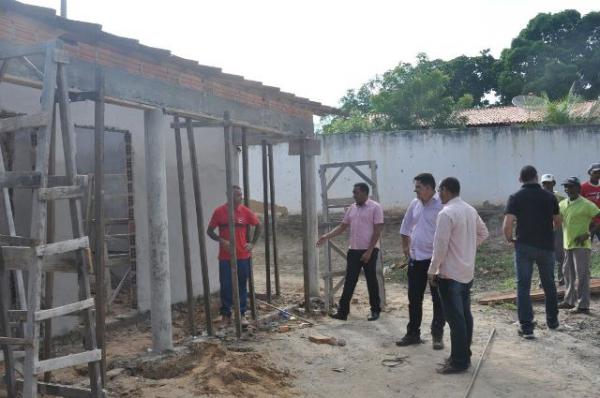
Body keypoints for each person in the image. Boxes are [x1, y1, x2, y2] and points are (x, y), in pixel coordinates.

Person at [428, 177, 488, 374]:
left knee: (456, 319)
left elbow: (440, 247)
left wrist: (432, 270)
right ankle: (462, 355)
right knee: (464, 315)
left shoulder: (446, 213)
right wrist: (467, 249)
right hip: (466, 272)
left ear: (446, 190)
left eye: (439, 191)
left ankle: (459, 362)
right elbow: (484, 233)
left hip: (450, 274)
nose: (438, 195)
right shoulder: (470, 210)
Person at [503, 166, 560, 340]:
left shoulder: (515, 197)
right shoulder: (550, 197)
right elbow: (558, 221)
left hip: (524, 247)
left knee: (523, 286)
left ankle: (527, 328)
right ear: (536, 177)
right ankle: (552, 322)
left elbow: (508, 224)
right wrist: (548, 232)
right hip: (546, 247)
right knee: (549, 284)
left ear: (520, 179)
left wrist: (510, 239)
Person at [316, 182, 384, 321]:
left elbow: (377, 231)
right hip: (353, 250)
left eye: (356, 193)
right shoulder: (352, 208)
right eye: (353, 192)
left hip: (369, 250)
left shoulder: (375, 208)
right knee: (349, 281)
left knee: (371, 280)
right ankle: (343, 312)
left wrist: (369, 251)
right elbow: (342, 227)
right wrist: (326, 236)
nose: (354, 195)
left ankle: (375, 310)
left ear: (365, 193)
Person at [396, 173, 446, 350]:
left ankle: (437, 335)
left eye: (418, 187)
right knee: (414, 298)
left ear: (428, 188)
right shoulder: (414, 203)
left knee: (438, 300)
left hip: (435, 261)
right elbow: (405, 226)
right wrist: (405, 247)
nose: (414, 190)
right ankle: (413, 334)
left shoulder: (442, 205)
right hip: (416, 259)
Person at [207, 186, 261, 326]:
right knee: (226, 286)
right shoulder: (219, 212)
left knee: (242, 285)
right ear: (228, 196)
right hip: (225, 257)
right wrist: (221, 240)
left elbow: (258, 226)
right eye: (237, 195)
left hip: (243, 256)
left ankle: (242, 314)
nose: (240, 197)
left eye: (240, 195)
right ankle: (226, 315)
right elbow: (210, 231)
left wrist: (252, 244)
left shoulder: (245, 212)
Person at [558, 176, 600, 314]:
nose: (567, 189)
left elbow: (598, 218)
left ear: (578, 188)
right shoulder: (563, 204)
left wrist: (588, 233)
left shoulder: (586, 204)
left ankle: (583, 305)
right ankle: (569, 301)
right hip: (567, 244)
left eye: (570, 186)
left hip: (581, 245)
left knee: (582, 274)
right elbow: (557, 221)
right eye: (565, 187)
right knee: (568, 273)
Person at [540, 173, 566, 285]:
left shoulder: (561, 198)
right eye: (544, 183)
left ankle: (562, 278)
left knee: (560, 254)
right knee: (544, 255)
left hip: (558, 228)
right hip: (543, 230)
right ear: (542, 184)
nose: (547, 186)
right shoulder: (538, 197)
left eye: (549, 183)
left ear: (554, 183)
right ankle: (545, 280)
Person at [580, 162, 600, 242]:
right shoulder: (583, 187)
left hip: (599, 221)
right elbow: (579, 204)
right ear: (590, 173)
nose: (597, 175)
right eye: (595, 172)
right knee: (586, 247)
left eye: (599, 172)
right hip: (587, 223)